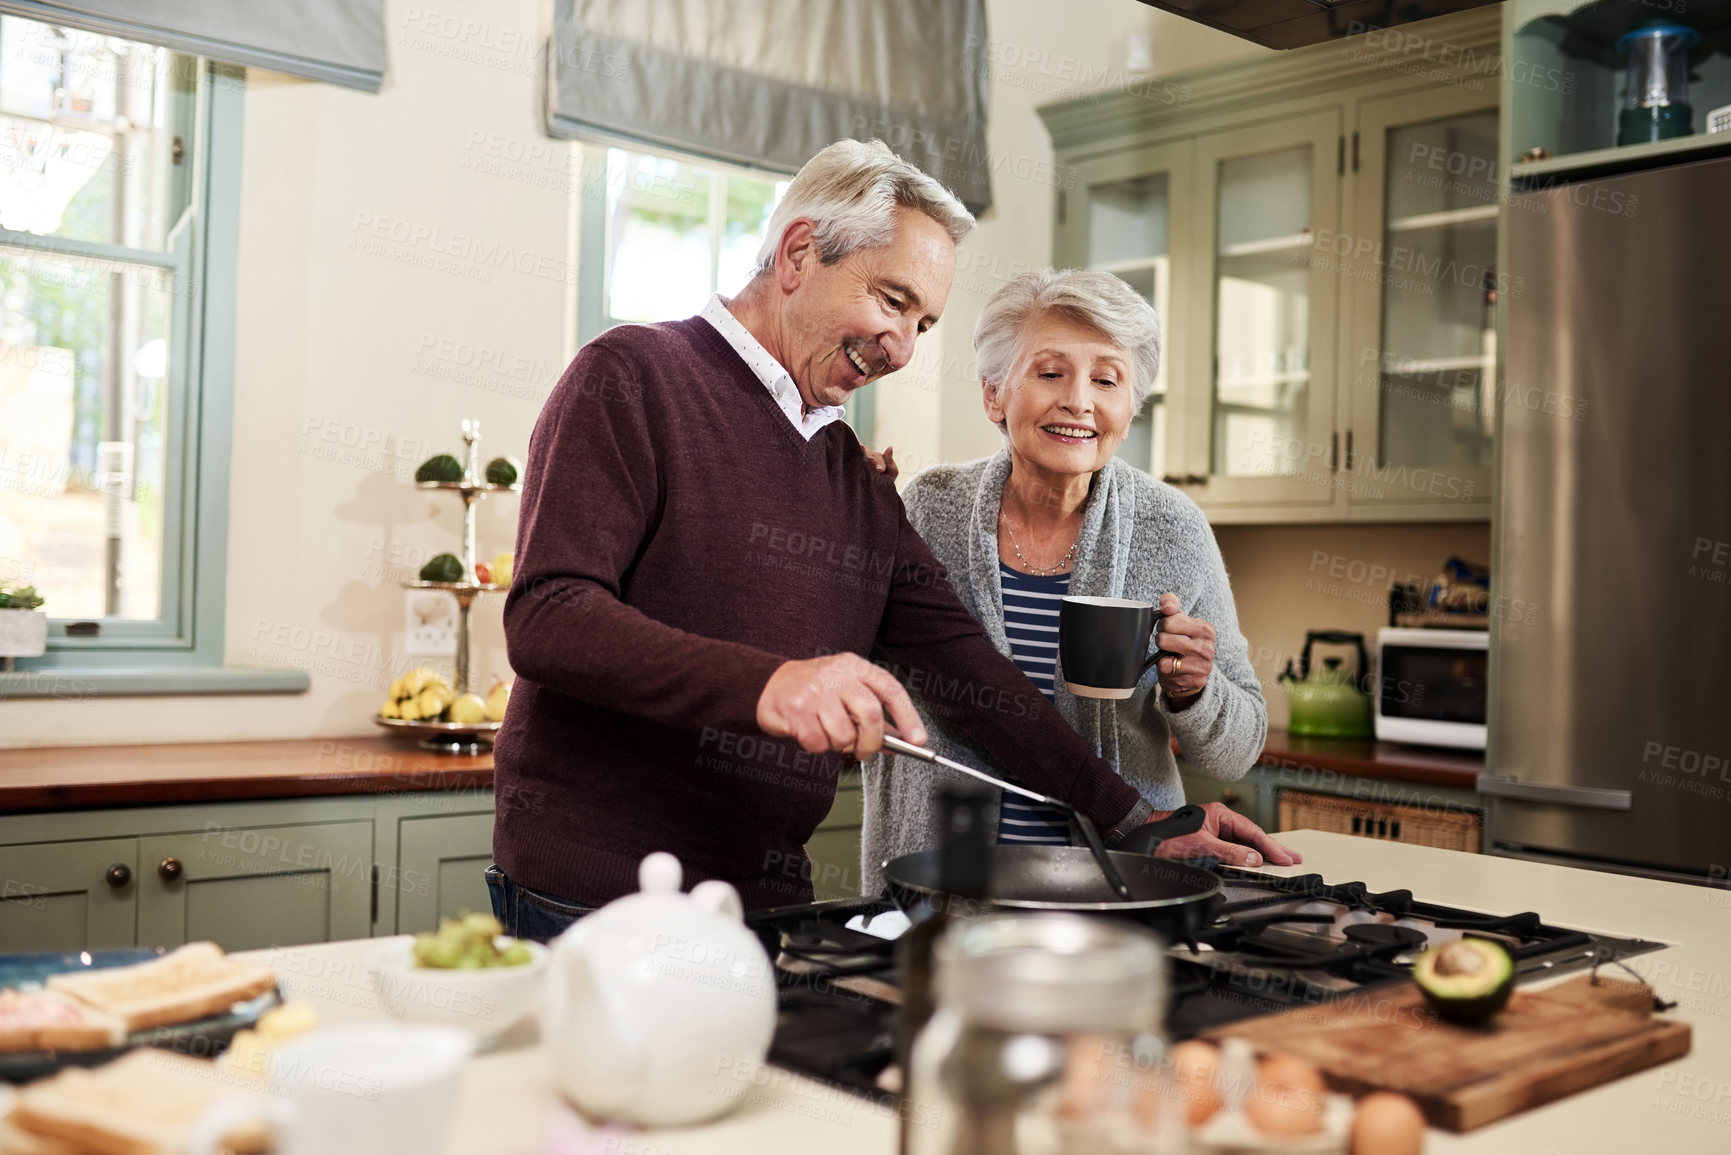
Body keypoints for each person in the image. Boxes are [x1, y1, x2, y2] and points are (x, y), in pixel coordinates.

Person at [488, 141, 1288, 941]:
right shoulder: (632, 374)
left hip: (764, 898)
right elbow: (549, 617)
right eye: (891, 300)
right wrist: (772, 683)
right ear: (800, 252)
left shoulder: (848, 474)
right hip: (598, 896)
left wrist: (1141, 819)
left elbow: (973, 674)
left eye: (922, 322)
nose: (902, 347)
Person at [862, 269, 1299, 894]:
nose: (1079, 401)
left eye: (1107, 379)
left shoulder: (1172, 527)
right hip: (944, 886)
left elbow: (1236, 751)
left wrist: (1193, 692)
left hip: (1114, 890)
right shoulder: (929, 508)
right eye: (1050, 373)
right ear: (994, 394)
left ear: (1130, 406)